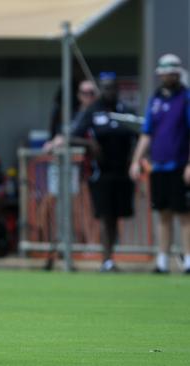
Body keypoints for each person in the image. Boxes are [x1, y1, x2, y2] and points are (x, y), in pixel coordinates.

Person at [69, 72, 137, 272]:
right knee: (105, 216)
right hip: (101, 173)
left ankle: (111, 258)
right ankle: (106, 260)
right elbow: (72, 136)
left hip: (122, 172)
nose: (110, 91)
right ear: (101, 89)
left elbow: (141, 131)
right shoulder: (93, 111)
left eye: (114, 87)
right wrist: (89, 143)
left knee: (116, 217)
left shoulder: (125, 110)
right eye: (106, 87)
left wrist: (135, 154)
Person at [130, 54, 190, 274]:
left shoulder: (185, 98)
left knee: (184, 214)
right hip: (159, 165)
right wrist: (136, 160)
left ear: (177, 73)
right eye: (163, 73)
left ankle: (188, 260)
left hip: (180, 164)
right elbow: (147, 133)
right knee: (163, 213)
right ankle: (162, 260)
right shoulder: (155, 99)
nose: (167, 76)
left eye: (170, 72)